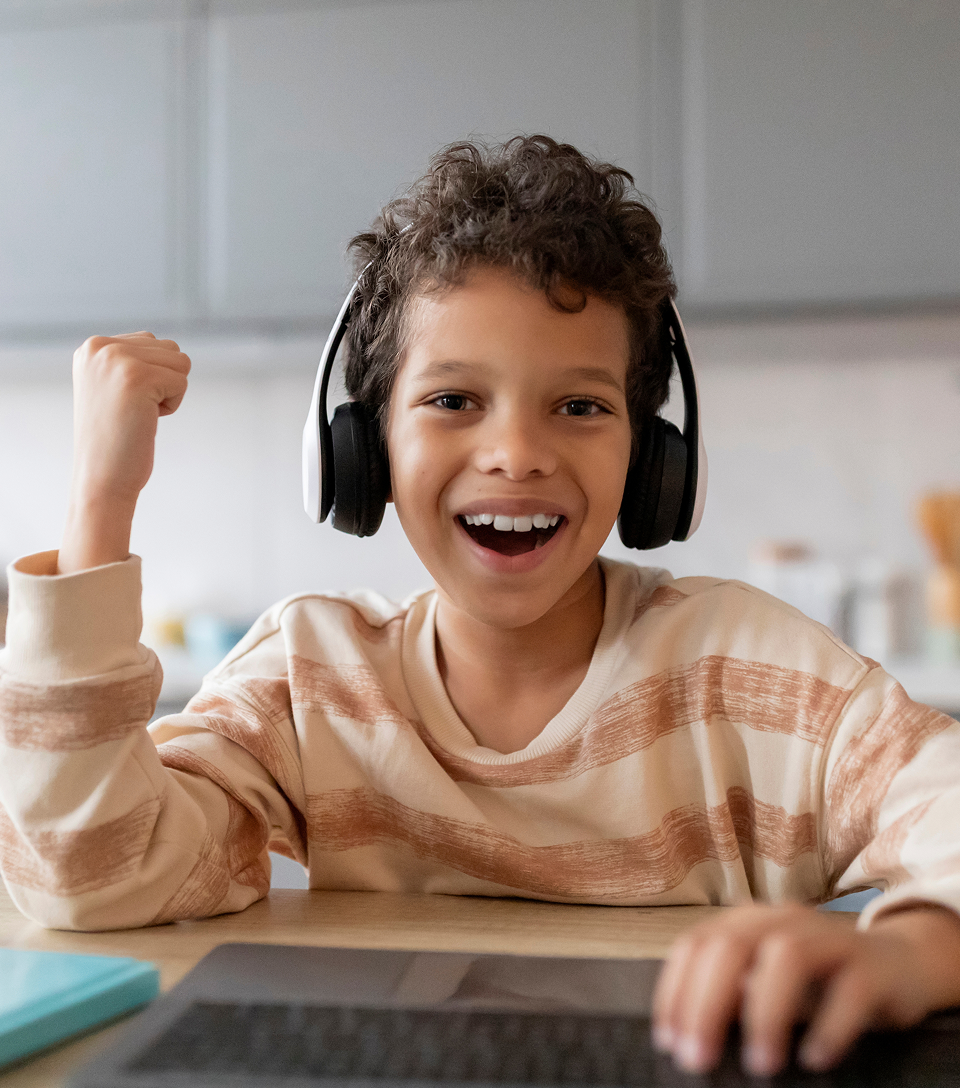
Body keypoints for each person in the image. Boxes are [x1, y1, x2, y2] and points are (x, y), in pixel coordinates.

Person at [2, 136, 960, 1077]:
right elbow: (90, 880)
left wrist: (911, 951)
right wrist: (101, 505)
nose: (517, 454)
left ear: (652, 465)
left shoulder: (752, 673)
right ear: (362, 450)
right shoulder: (309, 677)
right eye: (454, 400)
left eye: (579, 407)